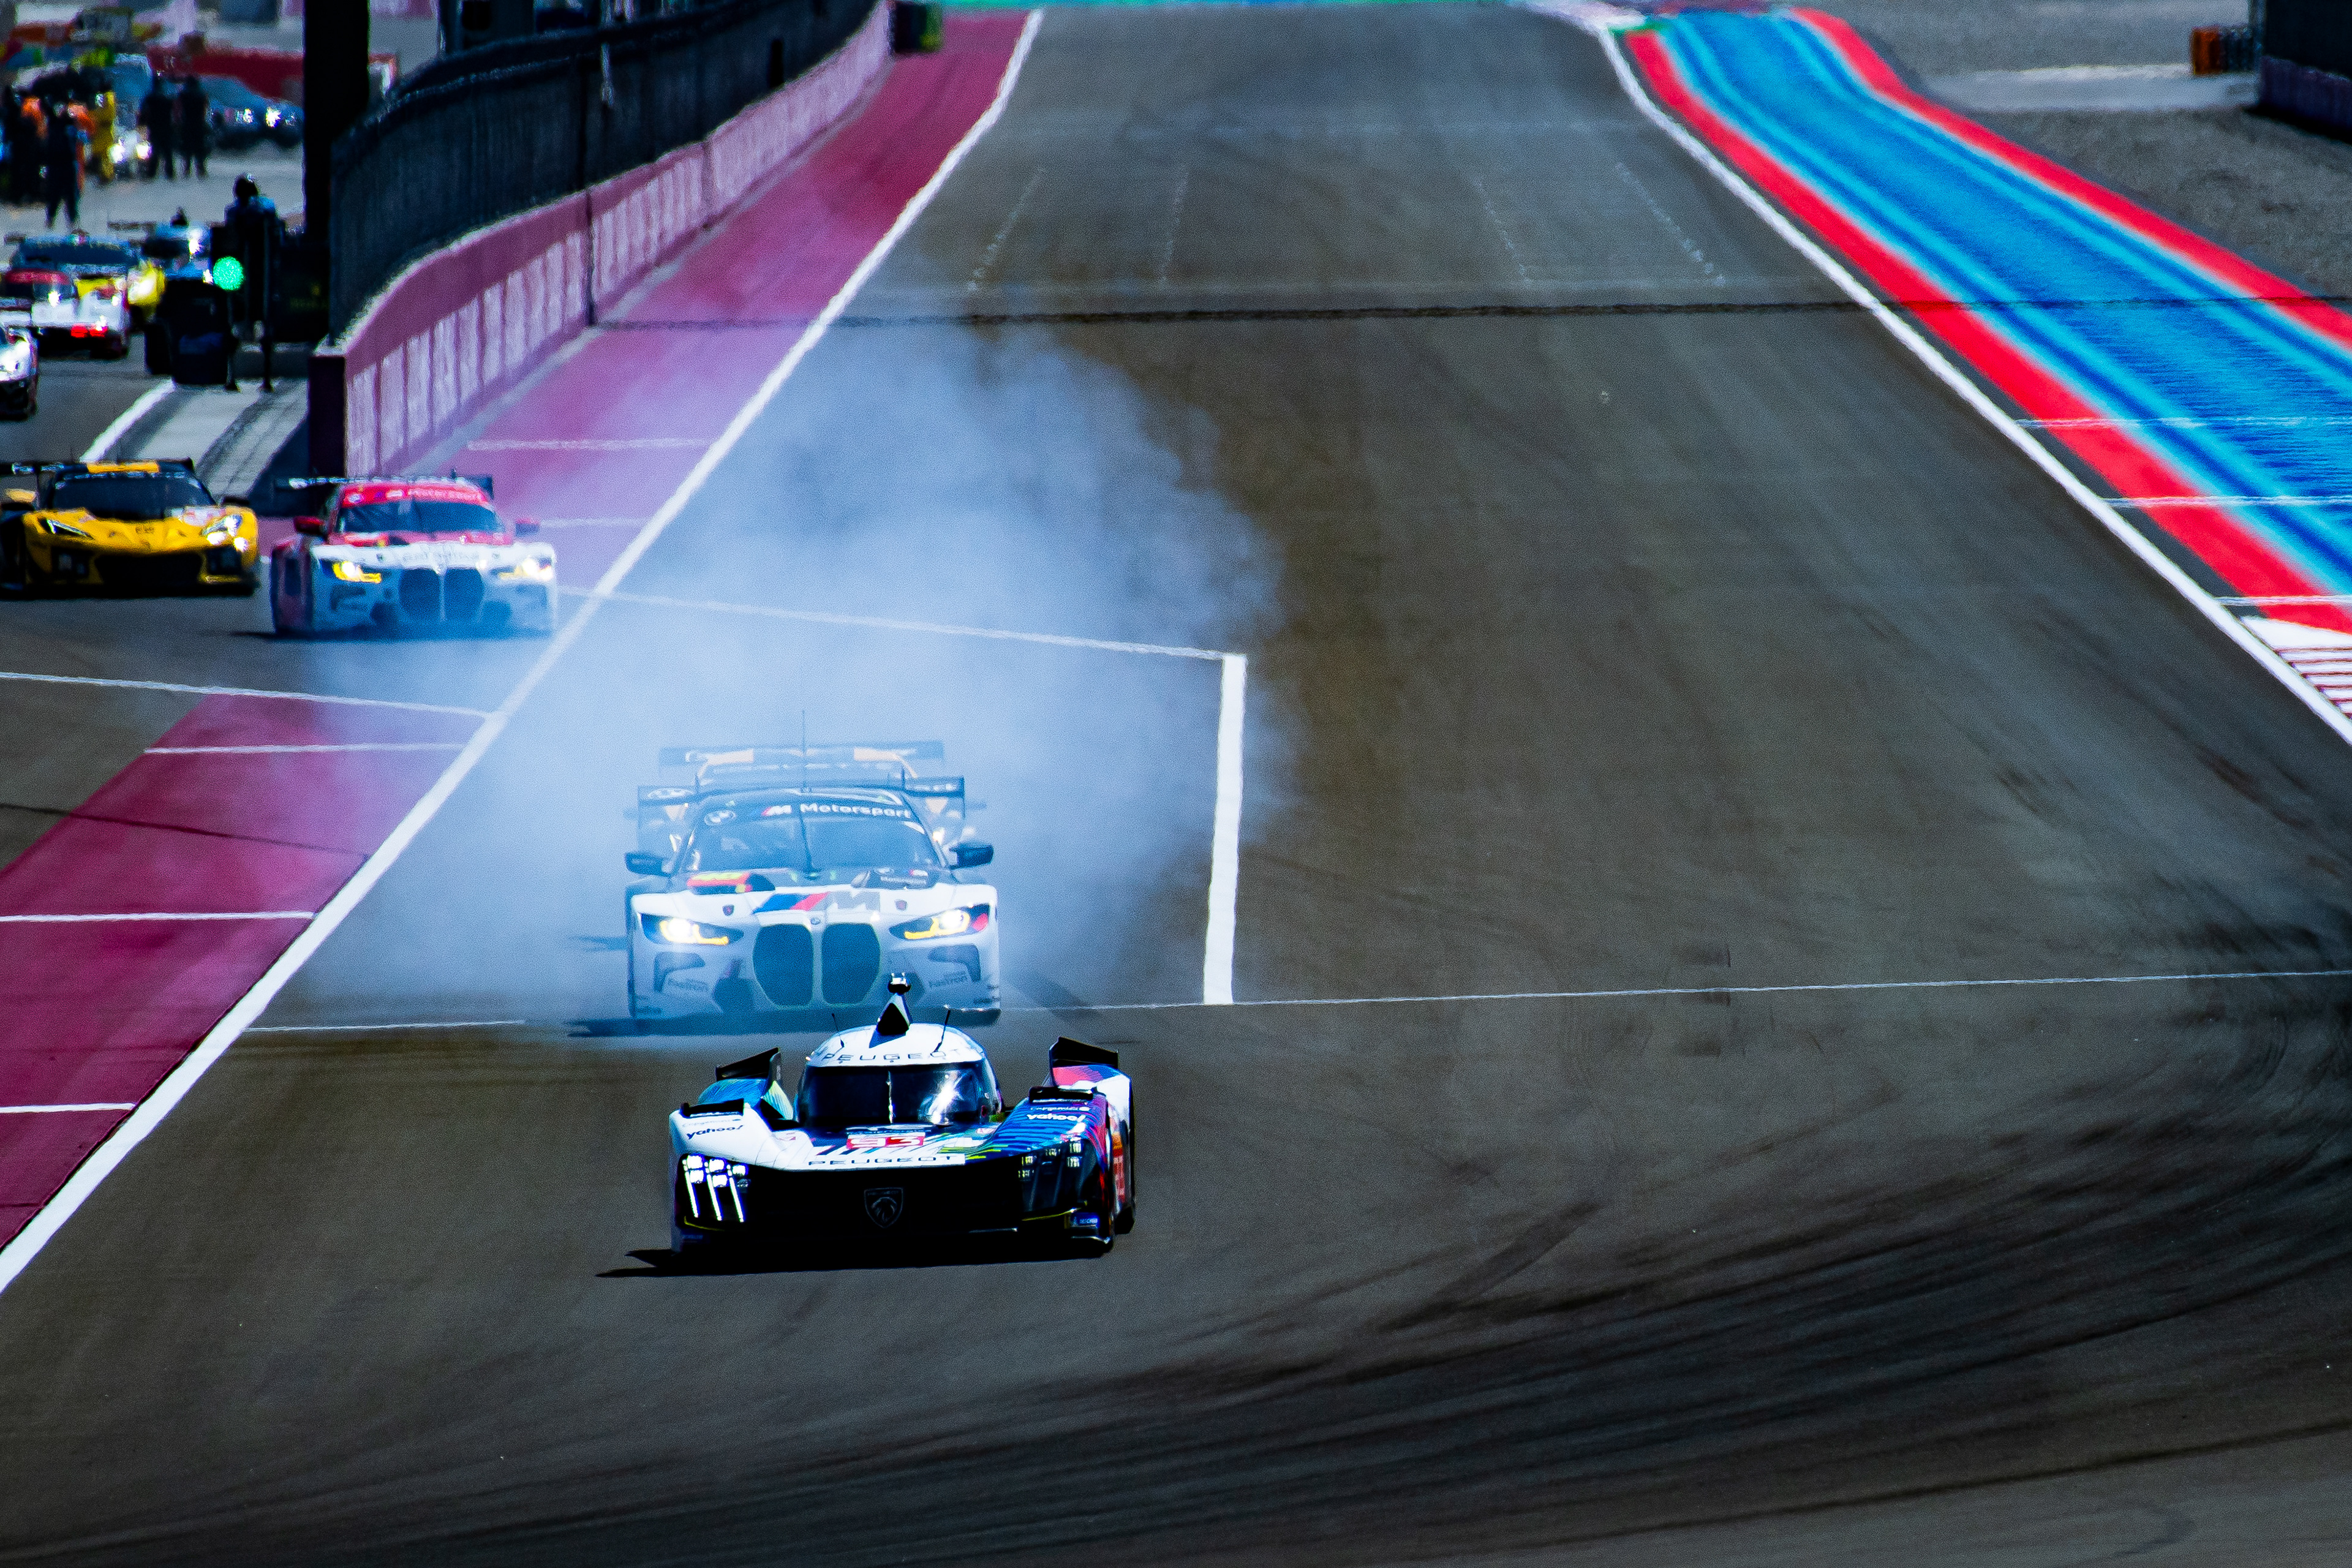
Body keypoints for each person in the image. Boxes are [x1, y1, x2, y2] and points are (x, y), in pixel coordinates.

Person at [40, 102, 81, 228]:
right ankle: (51, 219)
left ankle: (72, 220)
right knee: (55, 194)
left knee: (69, 195)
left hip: (66, 164)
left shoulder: (69, 126)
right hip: (56, 164)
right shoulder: (53, 125)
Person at [140, 80, 175, 179]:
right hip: (167, 126)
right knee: (167, 150)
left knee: (155, 150)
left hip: (154, 126)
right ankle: (170, 172)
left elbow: (143, 111)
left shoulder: (150, 97)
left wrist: (142, 123)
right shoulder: (168, 98)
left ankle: (152, 172)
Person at [174, 77, 208, 180]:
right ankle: (201, 168)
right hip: (199, 123)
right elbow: (205, 109)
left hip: (187, 123)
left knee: (187, 147)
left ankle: (187, 169)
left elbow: (178, 109)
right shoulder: (202, 95)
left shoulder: (184, 94)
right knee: (199, 147)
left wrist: (178, 121)